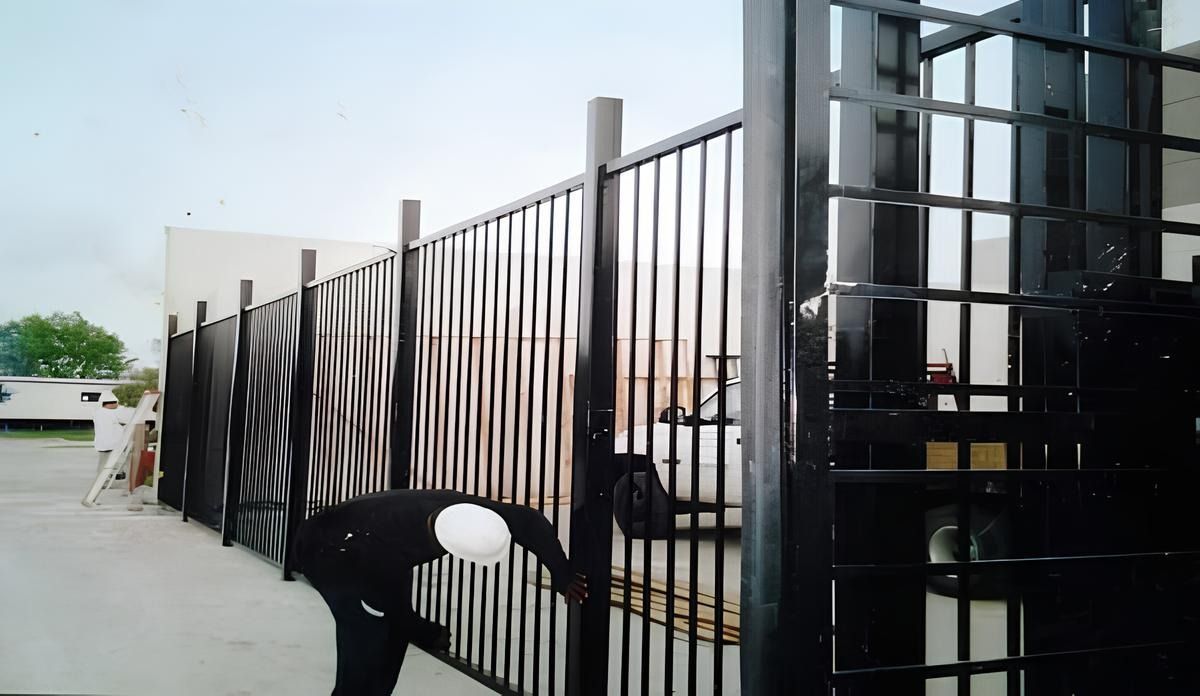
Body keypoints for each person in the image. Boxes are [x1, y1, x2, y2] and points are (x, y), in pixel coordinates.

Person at [292, 489, 587, 696]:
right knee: (366, 632)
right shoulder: (385, 550)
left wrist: (562, 575)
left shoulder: (472, 514)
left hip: (374, 536)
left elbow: (530, 521)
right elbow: (394, 610)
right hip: (327, 548)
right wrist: (425, 631)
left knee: (392, 639)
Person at [91, 391, 132, 480]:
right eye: (116, 403)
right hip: (113, 443)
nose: (117, 405)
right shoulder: (113, 413)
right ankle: (105, 479)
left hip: (103, 443)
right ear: (111, 403)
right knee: (118, 460)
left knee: (103, 463)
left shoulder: (98, 412)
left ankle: (104, 478)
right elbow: (127, 419)